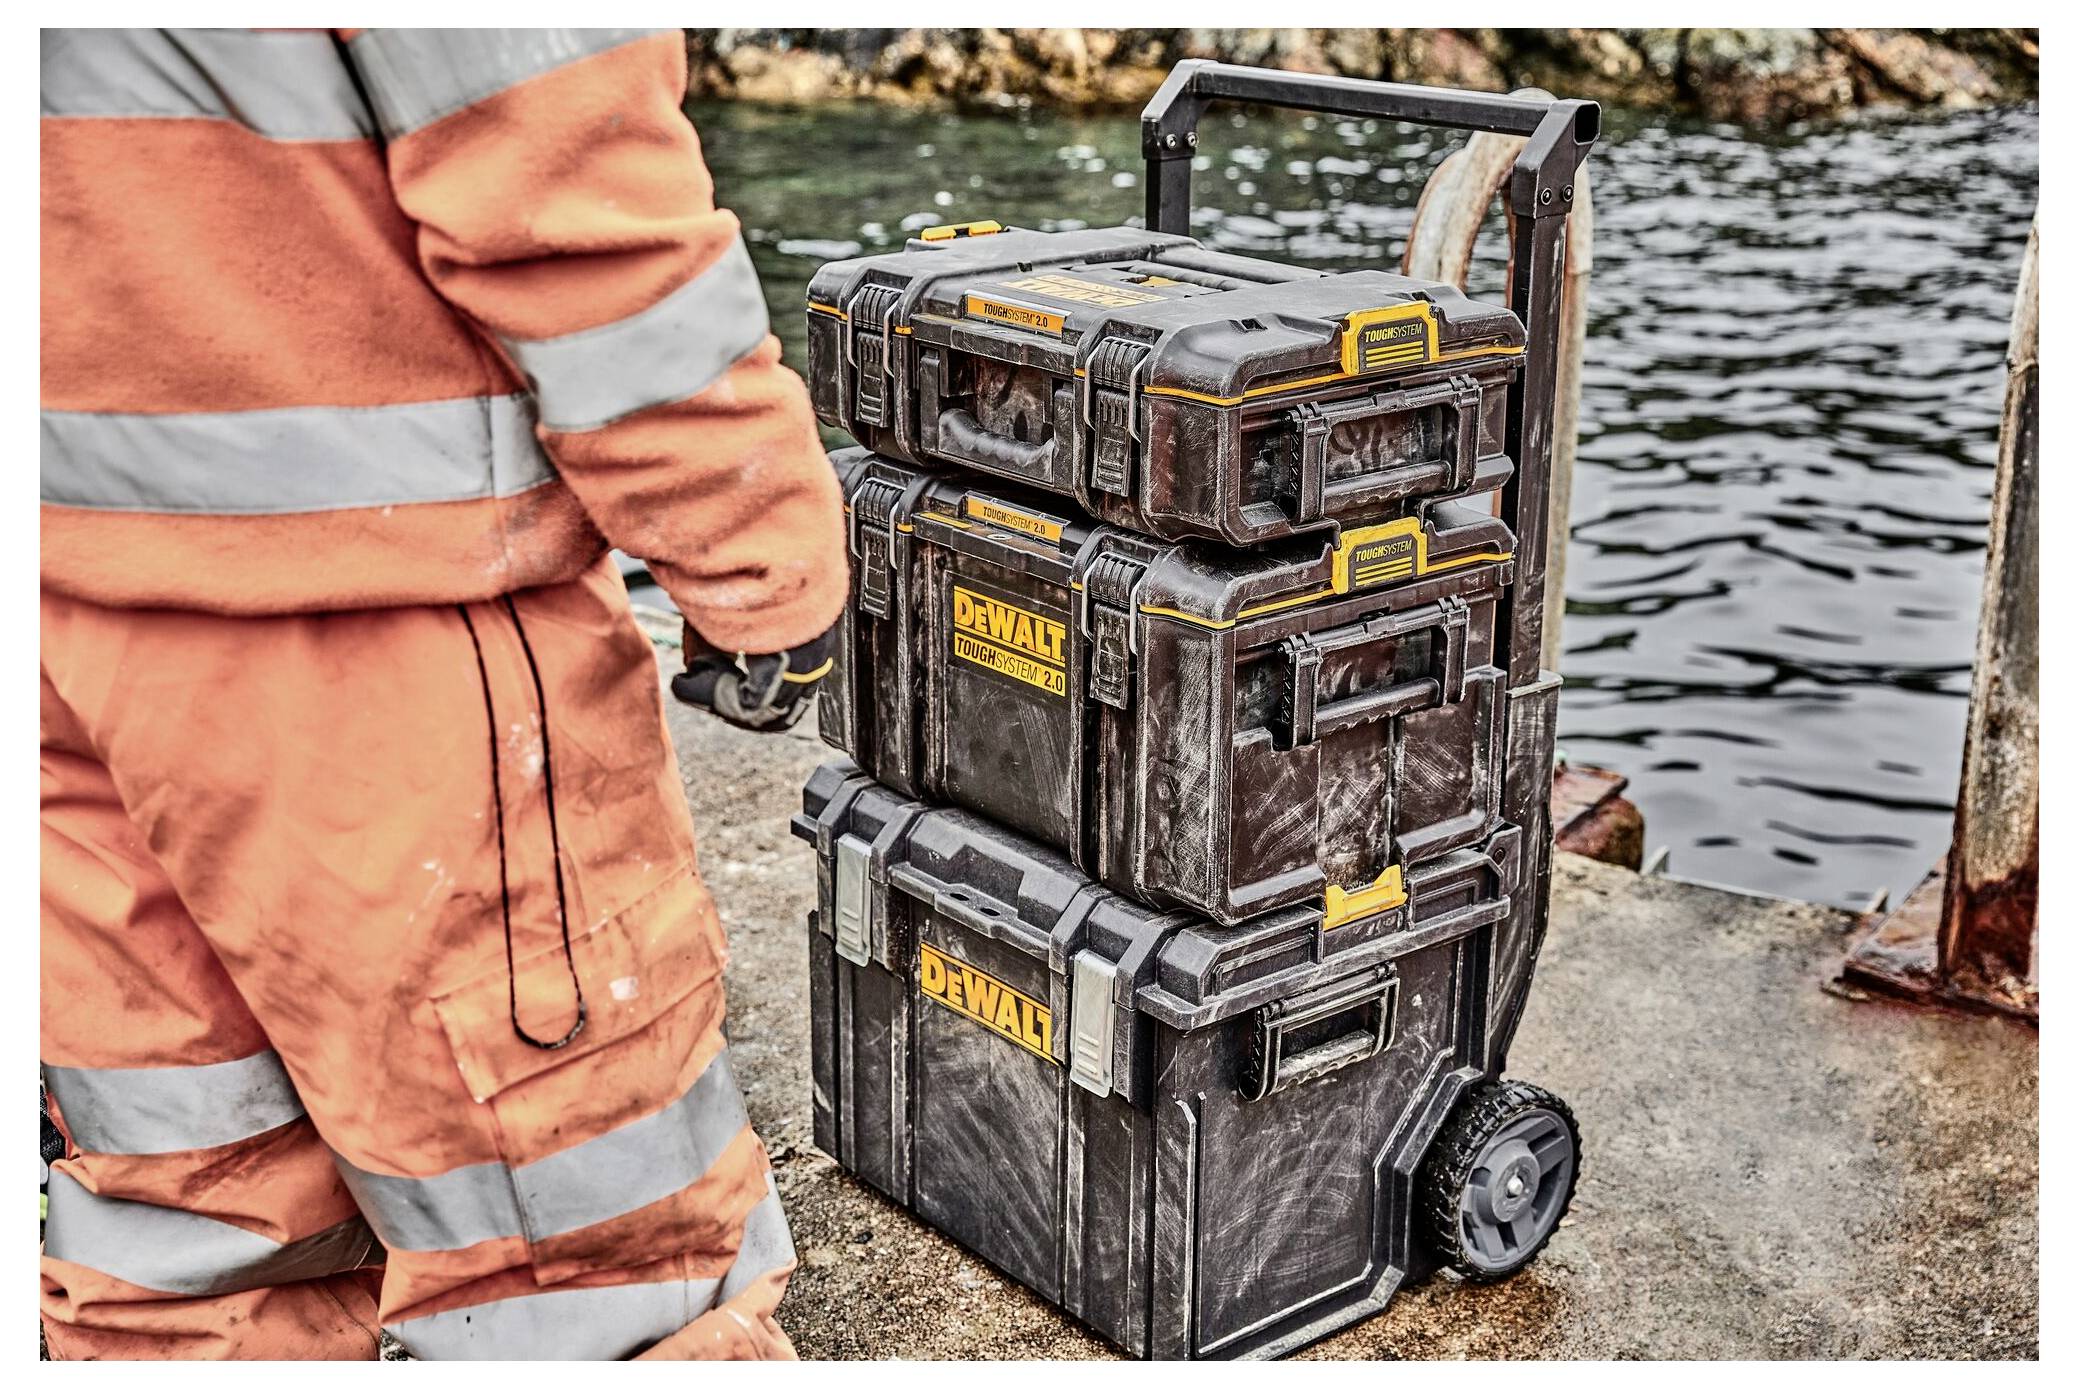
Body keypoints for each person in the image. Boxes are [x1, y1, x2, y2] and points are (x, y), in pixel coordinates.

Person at [40, 27, 846, 1359]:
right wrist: (759, 564)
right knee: (583, 1246)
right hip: (395, 631)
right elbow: (572, 192)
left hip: (64, 623)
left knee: (190, 1211)